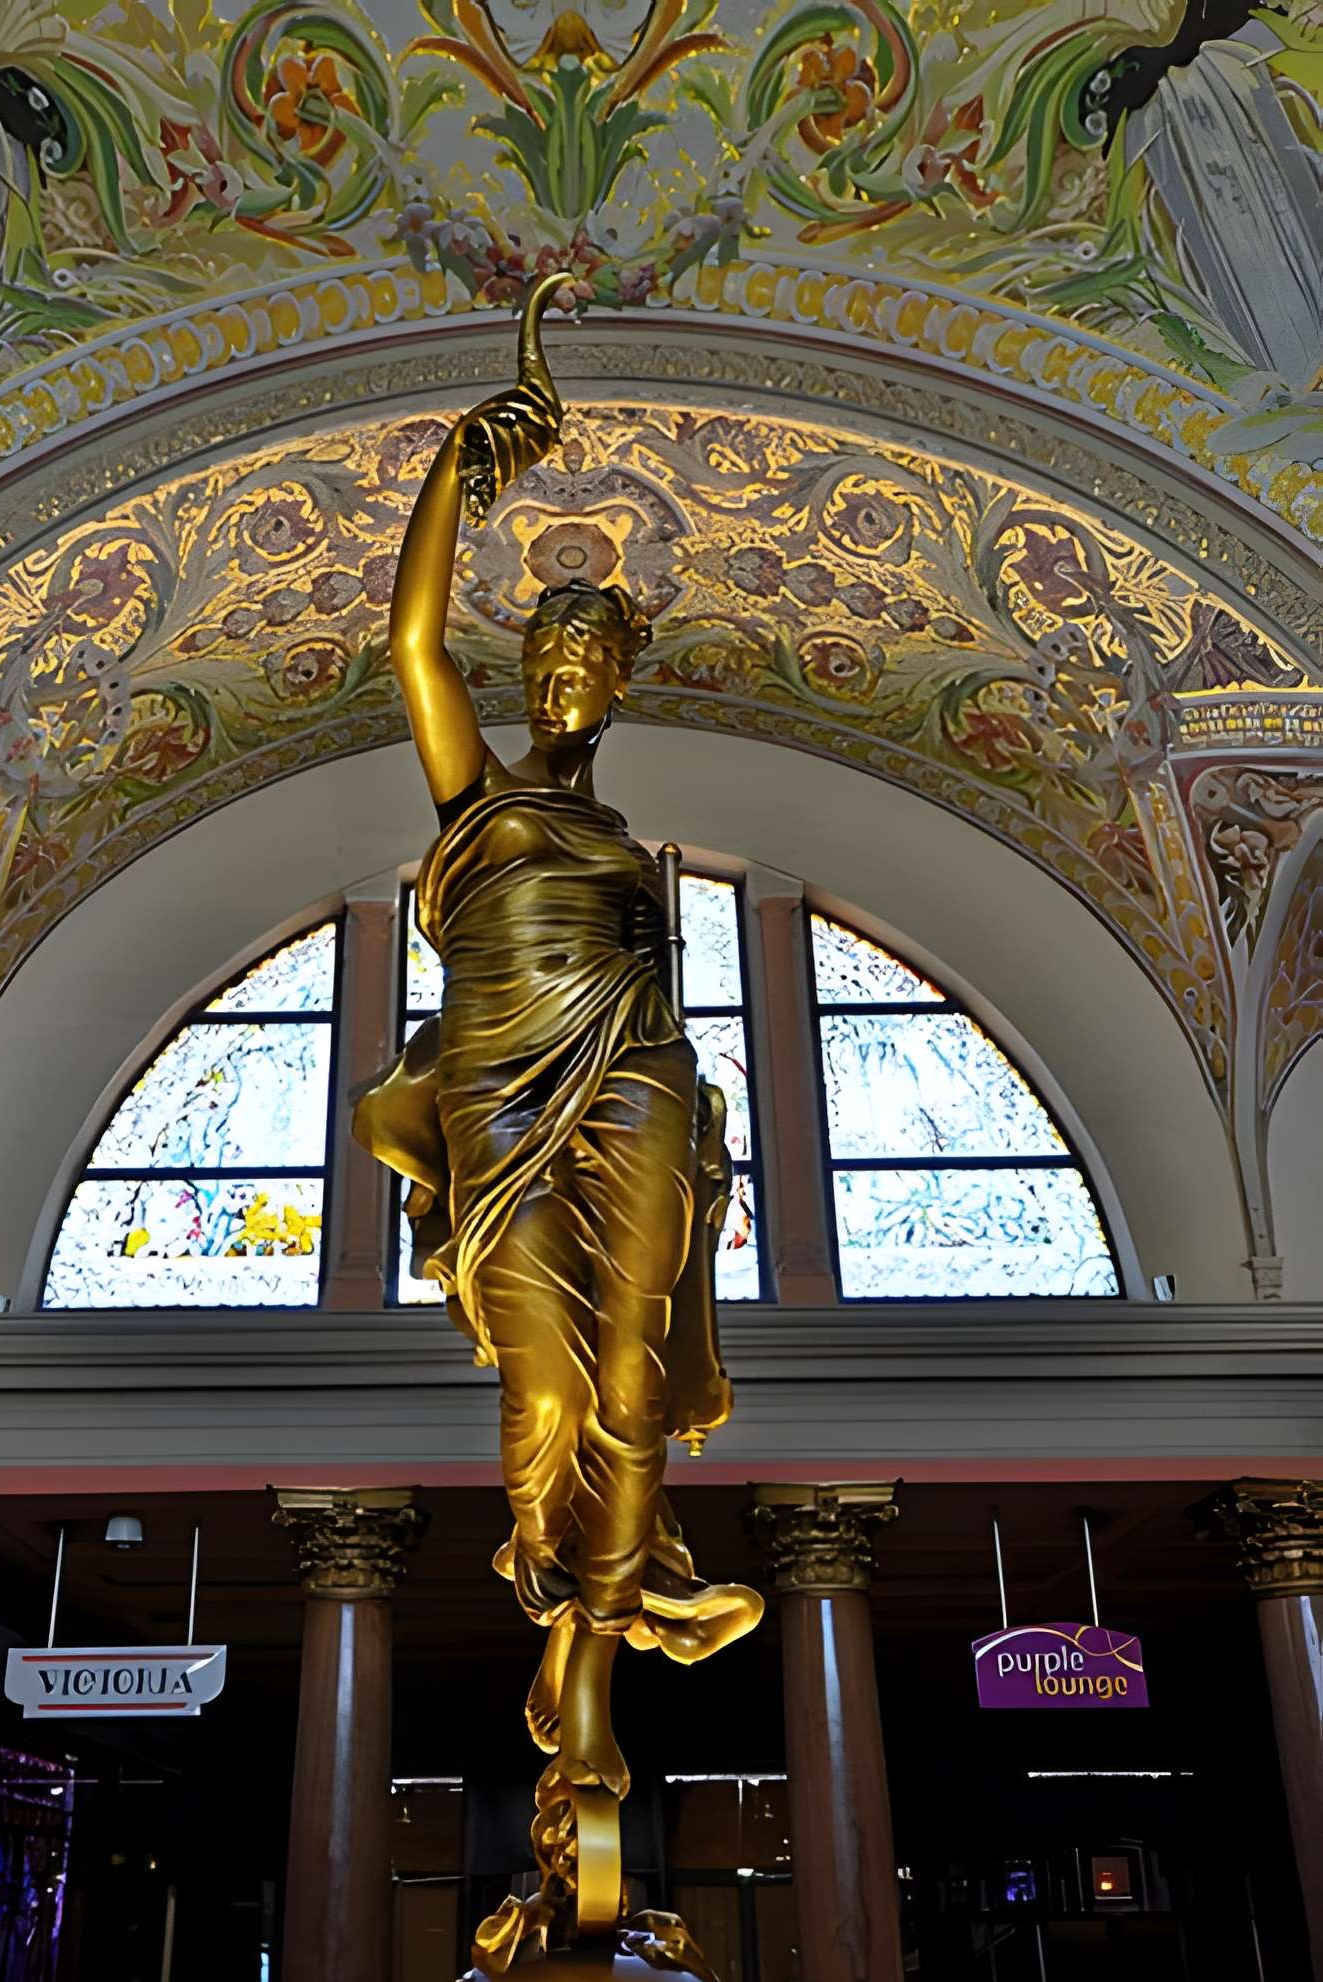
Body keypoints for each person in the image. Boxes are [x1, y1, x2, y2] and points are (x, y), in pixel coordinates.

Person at [354, 276, 760, 1868]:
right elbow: (406, 643)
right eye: (553, 651)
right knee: (545, 1384)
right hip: (502, 1095)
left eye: (596, 657)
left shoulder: (625, 841)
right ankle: (575, 1603)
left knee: (639, 1369)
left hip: (638, 1081)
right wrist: (464, 459)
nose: (571, 676)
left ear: (621, 678)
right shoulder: (475, 799)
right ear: (529, 673)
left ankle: (594, 1655)